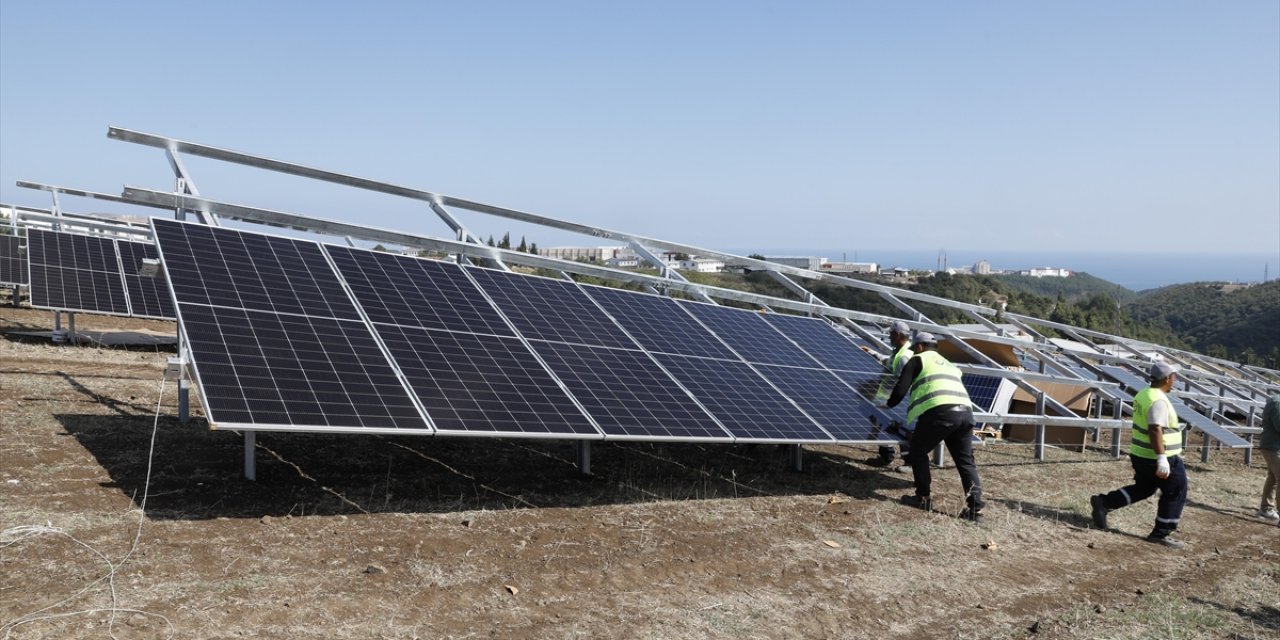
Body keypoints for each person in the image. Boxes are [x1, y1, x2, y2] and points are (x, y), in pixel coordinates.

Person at [884, 332, 985, 522]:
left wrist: (888, 405)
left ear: (920, 347)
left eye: (915, 349)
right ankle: (975, 510)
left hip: (940, 412)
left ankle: (923, 497)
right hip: (966, 414)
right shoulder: (949, 364)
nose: (914, 352)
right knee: (965, 461)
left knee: (917, 451)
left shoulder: (917, 360)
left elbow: (900, 388)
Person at [1089, 361, 1189, 549]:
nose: (1175, 379)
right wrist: (1162, 458)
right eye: (1174, 376)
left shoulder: (1144, 394)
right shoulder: (1158, 400)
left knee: (1145, 488)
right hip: (1159, 456)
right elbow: (1155, 429)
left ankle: (1104, 502)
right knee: (1176, 490)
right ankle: (1162, 532)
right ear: (1167, 379)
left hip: (1141, 454)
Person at [870, 320, 914, 468]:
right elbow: (889, 361)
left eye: (891, 334)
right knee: (883, 425)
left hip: (898, 400)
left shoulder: (905, 356)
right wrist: (873, 354)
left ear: (897, 335)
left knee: (902, 428)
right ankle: (886, 456)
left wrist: (896, 402)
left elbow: (905, 382)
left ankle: (908, 462)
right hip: (887, 397)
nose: (889, 337)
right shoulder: (898, 352)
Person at [1257, 393, 1280, 524]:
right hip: (1273, 446)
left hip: (1273, 445)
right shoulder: (1277, 403)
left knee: (1273, 478)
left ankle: (1266, 508)